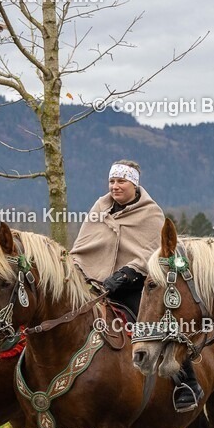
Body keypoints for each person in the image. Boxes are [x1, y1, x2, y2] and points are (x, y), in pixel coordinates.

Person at [70, 160, 201, 412]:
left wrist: (126, 273)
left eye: (121, 181)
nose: (115, 186)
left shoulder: (151, 212)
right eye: (112, 181)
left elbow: (153, 251)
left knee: (156, 324)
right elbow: (83, 246)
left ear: (134, 184)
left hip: (136, 284)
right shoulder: (99, 207)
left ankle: (186, 383)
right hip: (96, 283)